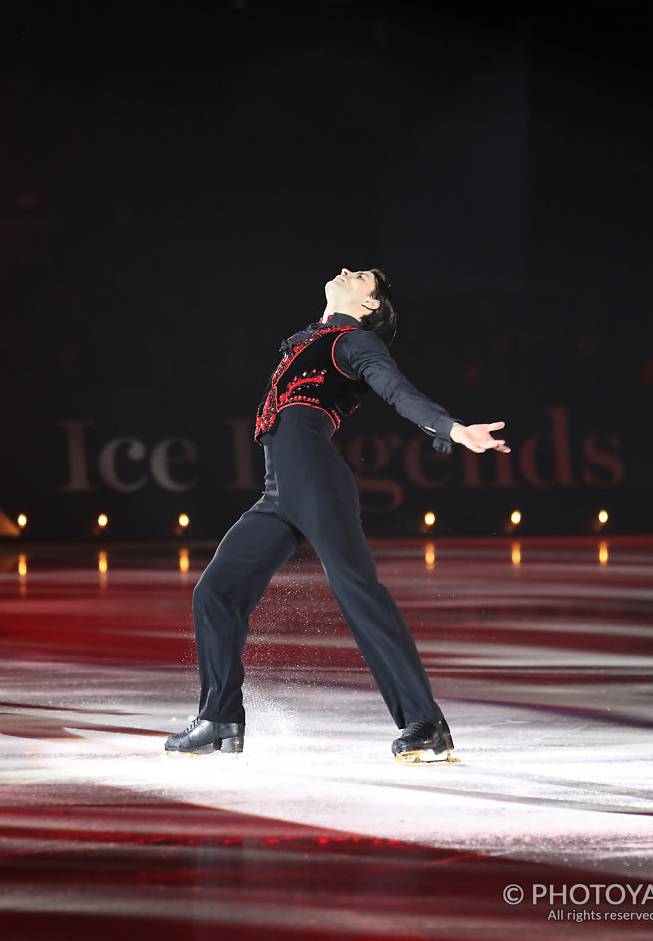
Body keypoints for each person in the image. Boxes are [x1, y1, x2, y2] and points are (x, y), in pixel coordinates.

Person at [165, 269, 510, 762]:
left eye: (362, 277)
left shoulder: (355, 342)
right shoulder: (312, 340)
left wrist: (452, 429)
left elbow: (396, 390)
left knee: (358, 595)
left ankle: (425, 722)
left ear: (369, 306)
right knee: (216, 591)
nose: (348, 271)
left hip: (316, 480)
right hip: (278, 491)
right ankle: (219, 718)